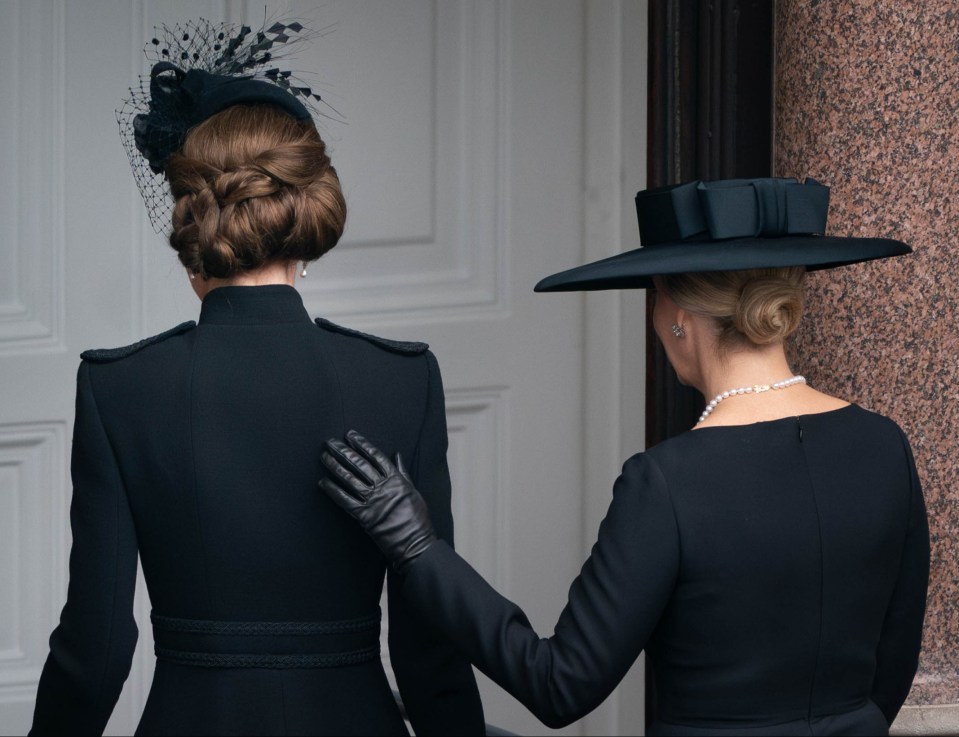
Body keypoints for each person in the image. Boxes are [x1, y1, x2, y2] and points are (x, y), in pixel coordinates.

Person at [320, 177, 929, 736]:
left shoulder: (667, 484)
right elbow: (891, 673)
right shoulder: (883, 447)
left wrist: (418, 549)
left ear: (678, 318)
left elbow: (559, 685)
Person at [30, 19, 483, 736]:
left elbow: (97, 647)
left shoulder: (119, 388)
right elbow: (429, 644)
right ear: (302, 210)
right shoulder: (402, 379)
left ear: (190, 223)